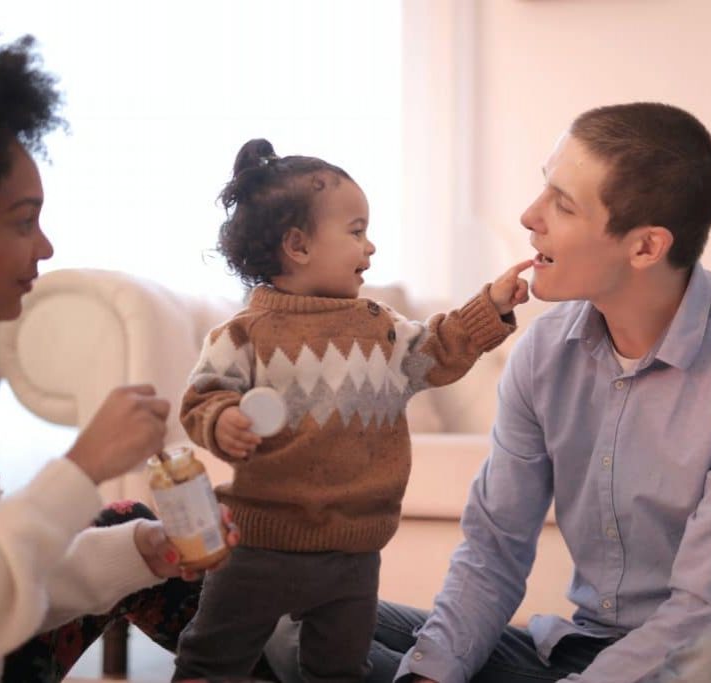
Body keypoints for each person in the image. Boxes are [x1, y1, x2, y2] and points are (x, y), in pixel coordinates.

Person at [268, 102, 711, 682]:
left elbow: (705, 614)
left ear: (645, 247)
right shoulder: (544, 351)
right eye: (544, 188)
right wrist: (429, 677)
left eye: (562, 205)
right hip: (580, 655)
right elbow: (493, 549)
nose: (529, 216)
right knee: (296, 621)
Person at [0, 17, 239, 683]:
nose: (46, 247)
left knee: (135, 523)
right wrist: (81, 465)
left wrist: (141, 551)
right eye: (22, 221)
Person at [172, 138, 532, 682]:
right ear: (298, 246)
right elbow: (203, 397)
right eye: (357, 232)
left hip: (353, 552)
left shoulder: (378, 327)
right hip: (260, 546)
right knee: (212, 659)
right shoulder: (245, 334)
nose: (370, 248)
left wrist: (491, 307)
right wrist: (223, 420)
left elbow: (438, 349)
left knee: (341, 670)